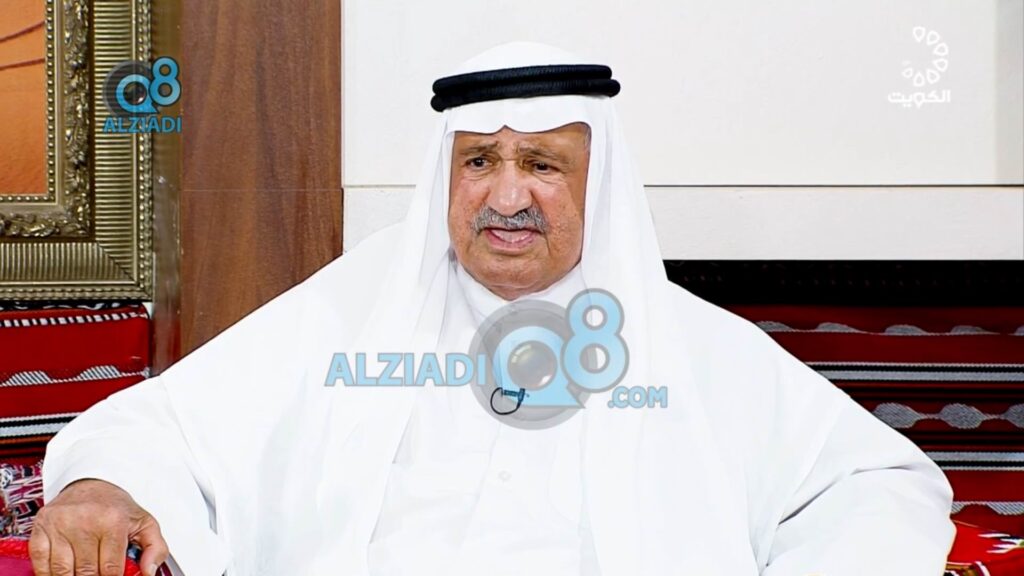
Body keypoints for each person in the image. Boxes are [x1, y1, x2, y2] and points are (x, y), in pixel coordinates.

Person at [31, 42, 955, 576]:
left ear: (597, 184)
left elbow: (877, 482)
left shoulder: (687, 343)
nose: (507, 196)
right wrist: (102, 488)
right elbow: (160, 425)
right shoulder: (356, 307)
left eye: (543, 165)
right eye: (479, 161)